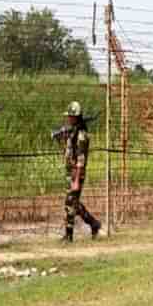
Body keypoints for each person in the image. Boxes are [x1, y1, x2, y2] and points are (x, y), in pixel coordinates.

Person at [56, 101, 101, 242]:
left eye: (70, 116)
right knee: (73, 203)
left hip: (77, 172)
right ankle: (94, 223)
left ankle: (68, 236)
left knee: (70, 202)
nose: (68, 118)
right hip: (70, 171)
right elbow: (68, 151)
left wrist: (76, 180)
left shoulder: (81, 134)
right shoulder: (72, 131)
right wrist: (62, 140)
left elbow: (81, 159)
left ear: (76, 117)